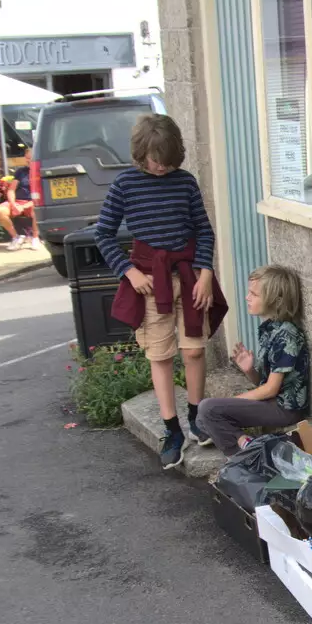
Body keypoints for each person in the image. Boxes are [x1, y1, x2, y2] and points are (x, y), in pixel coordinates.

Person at [96, 113, 225, 470]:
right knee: (160, 355)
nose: (162, 168)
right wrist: (129, 272)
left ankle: (198, 416)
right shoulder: (125, 185)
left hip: (189, 278)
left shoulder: (184, 183)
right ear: (140, 154)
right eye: (156, 162)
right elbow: (103, 234)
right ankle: (172, 430)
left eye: (169, 161)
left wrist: (204, 274)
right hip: (151, 283)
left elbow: (203, 230)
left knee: (194, 351)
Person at [195, 265, 310, 456]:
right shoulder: (270, 329)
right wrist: (249, 370)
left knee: (209, 409)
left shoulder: (286, 335)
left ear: (276, 300)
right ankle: (246, 443)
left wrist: (229, 402)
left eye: (254, 294)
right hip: (272, 402)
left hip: (285, 409)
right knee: (202, 418)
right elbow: (264, 384)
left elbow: (271, 389)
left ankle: (243, 456)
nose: (247, 297)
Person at [0, 168, 35, 249]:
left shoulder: (41, 170)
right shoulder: (21, 171)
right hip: (17, 202)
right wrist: (13, 204)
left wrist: (24, 206)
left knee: (37, 209)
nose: (28, 160)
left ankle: (35, 238)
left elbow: (41, 195)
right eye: (26, 158)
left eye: (30, 158)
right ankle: (16, 237)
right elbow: (11, 190)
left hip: (33, 202)